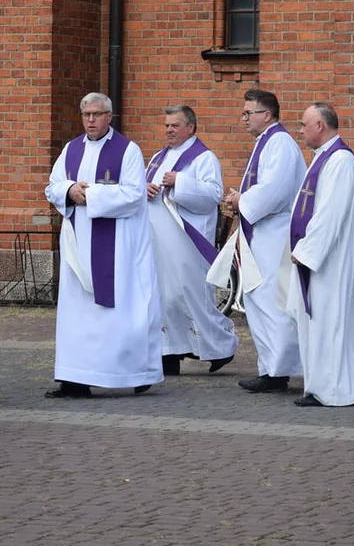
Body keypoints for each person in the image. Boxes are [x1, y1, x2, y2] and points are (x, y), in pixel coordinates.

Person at [44, 92, 162, 398]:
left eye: (97, 114)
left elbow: (134, 195)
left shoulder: (127, 150)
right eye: (86, 115)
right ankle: (74, 379)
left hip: (116, 247)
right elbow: (52, 185)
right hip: (77, 243)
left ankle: (129, 373)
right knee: (76, 313)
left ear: (110, 116)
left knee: (115, 312)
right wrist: (70, 190)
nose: (91, 120)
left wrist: (91, 194)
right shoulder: (70, 149)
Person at [285, 104, 354, 407]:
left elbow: (330, 214)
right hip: (319, 258)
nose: (301, 131)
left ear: (320, 125)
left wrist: (305, 251)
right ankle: (320, 385)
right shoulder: (323, 159)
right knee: (317, 321)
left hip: (330, 260)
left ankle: (333, 388)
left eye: (304, 125)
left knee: (329, 321)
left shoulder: (340, 160)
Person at [211, 89, 306, 394]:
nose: (243, 119)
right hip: (260, 233)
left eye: (247, 113)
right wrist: (239, 202)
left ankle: (279, 371)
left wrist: (242, 201)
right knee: (256, 299)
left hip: (274, 234)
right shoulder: (265, 142)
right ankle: (270, 367)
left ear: (266, 115)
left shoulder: (280, 143)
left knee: (271, 300)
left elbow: (274, 189)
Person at [145, 104, 237, 376]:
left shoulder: (204, 158)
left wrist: (180, 182)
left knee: (191, 296)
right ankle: (169, 352)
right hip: (158, 240)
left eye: (175, 125)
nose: (169, 130)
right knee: (164, 298)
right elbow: (147, 188)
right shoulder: (159, 157)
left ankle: (221, 346)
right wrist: (145, 188)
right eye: (166, 125)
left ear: (191, 127)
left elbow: (212, 195)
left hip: (187, 241)